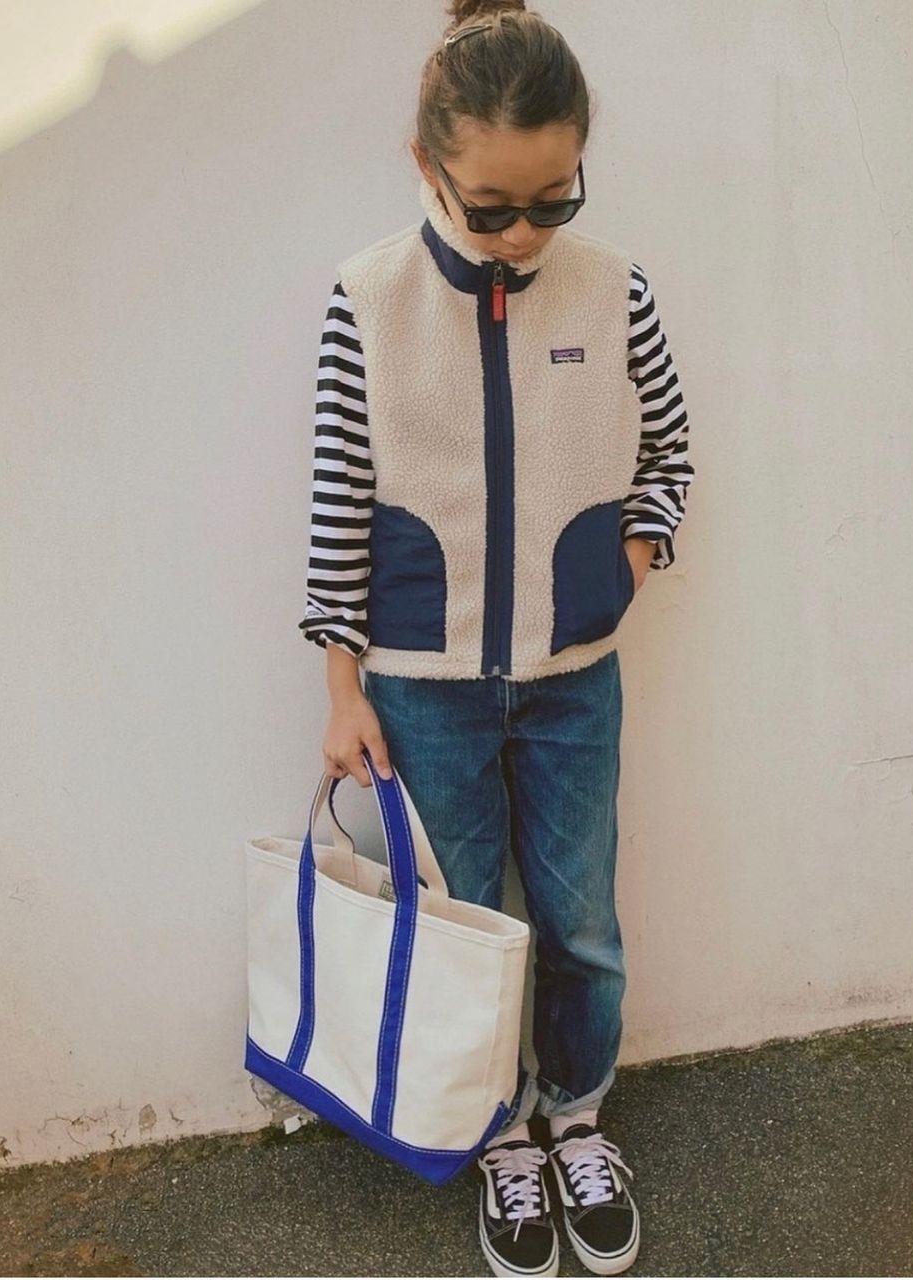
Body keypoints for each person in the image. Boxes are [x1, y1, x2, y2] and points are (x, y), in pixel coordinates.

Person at [298, 2, 694, 1274]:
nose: (524, 235)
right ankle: (499, 1134)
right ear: (427, 164)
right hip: (422, 690)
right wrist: (343, 688)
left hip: (575, 680)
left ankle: (577, 1116)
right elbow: (338, 506)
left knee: (580, 923)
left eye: (552, 201)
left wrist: (622, 572)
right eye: (492, 208)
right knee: (464, 927)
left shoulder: (614, 286)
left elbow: (669, 454)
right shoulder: (369, 299)